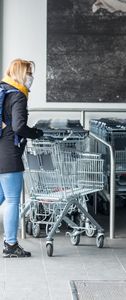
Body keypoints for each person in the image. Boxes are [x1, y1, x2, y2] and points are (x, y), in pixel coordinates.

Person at [0, 59, 43, 258]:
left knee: (2, 197)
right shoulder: (18, 95)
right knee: (12, 201)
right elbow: (18, 127)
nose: (31, 77)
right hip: (9, 154)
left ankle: (10, 243)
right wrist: (35, 133)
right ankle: (10, 245)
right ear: (21, 74)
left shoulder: (3, 90)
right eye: (29, 73)